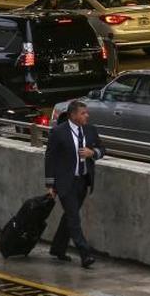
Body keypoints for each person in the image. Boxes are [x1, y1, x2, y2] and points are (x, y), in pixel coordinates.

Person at [45, 100, 105, 269]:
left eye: (86, 113)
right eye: (83, 113)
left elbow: (103, 149)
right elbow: (50, 158)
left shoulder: (90, 130)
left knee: (69, 216)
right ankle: (85, 254)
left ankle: (57, 248)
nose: (87, 116)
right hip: (65, 183)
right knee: (73, 218)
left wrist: (92, 153)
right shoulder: (58, 132)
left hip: (82, 181)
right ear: (72, 115)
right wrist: (50, 185)